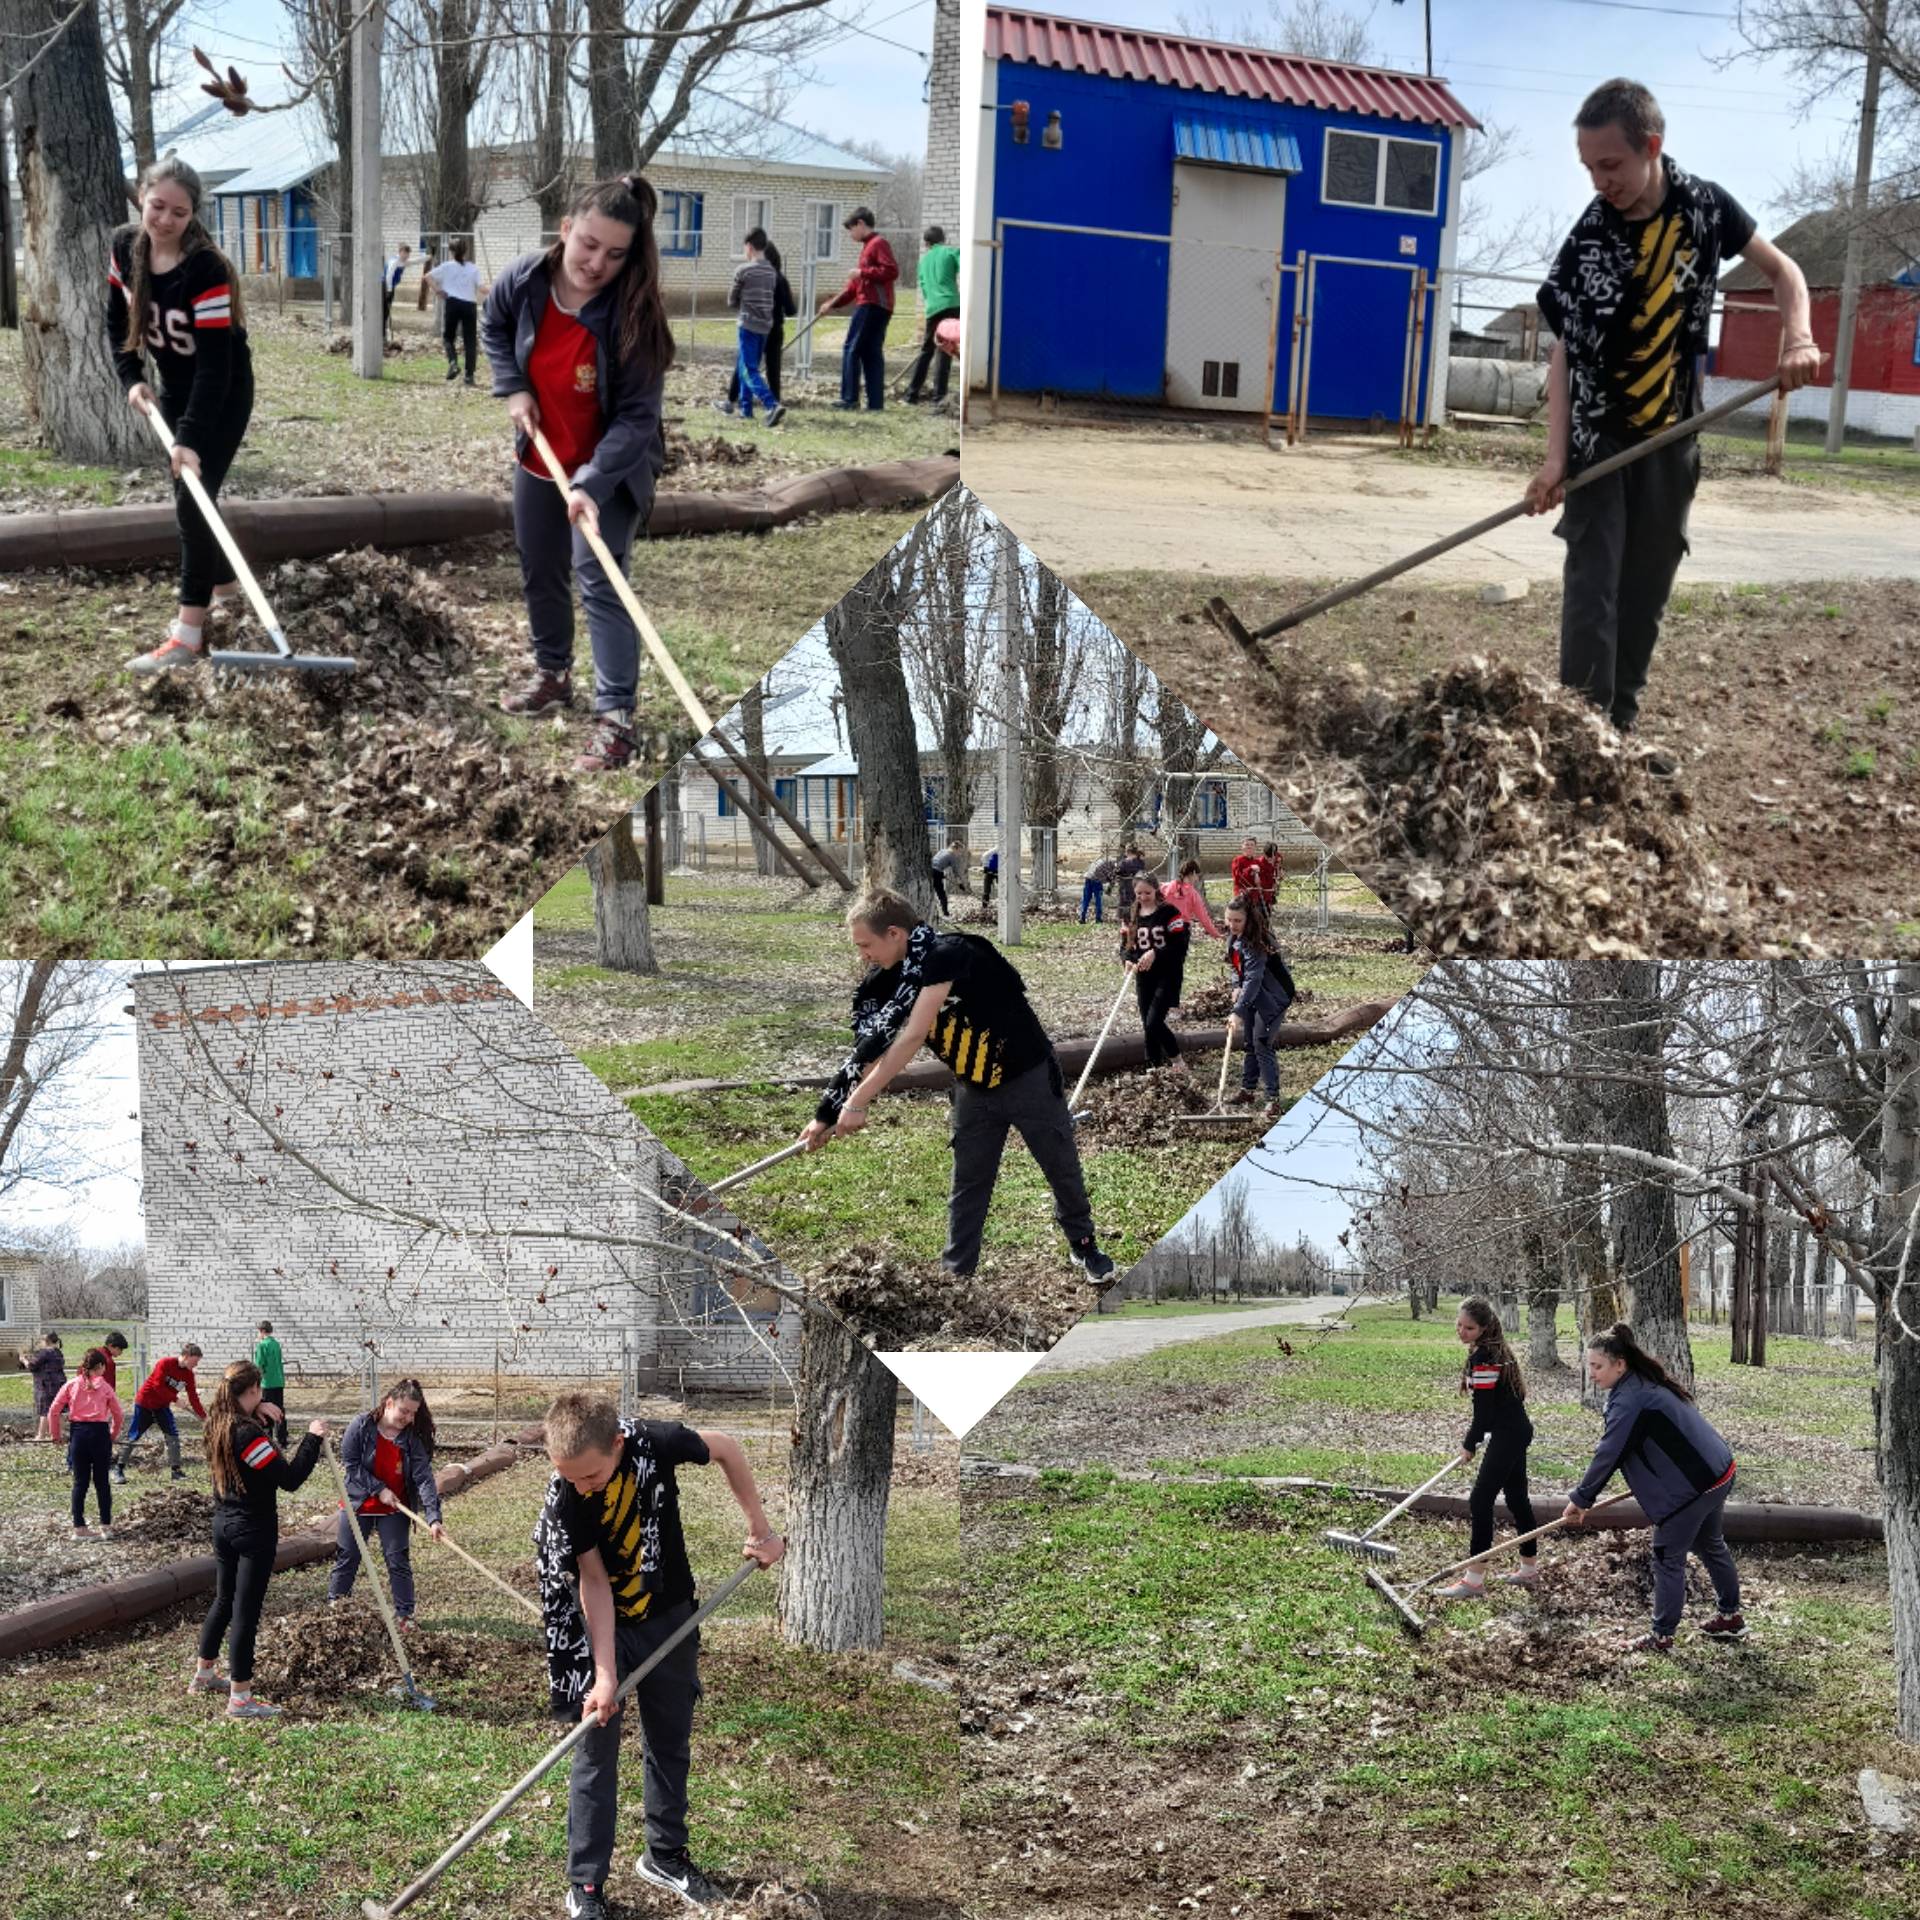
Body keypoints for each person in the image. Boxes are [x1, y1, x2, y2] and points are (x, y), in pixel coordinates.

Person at [1528, 79, 1821, 757]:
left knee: (1646, 588)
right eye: (1589, 169)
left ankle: (1618, 736)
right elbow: (1563, 351)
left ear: (1651, 147)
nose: (1601, 182)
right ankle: (1582, 742)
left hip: (1673, 433)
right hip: (1598, 436)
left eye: (1611, 166)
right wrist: (1553, 461)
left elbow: (1785, 273)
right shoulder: (1590, 238)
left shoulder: (1706, 208)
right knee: (1593, 590)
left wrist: (1798, 338)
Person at [535, 1391, 786, 1917]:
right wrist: (604, 1676)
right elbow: (594, 1583)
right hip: (602, 1623)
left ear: (618, 1444)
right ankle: (586, 1885)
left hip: (670, 1613)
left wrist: (759, 1530)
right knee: (595, 1749)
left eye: (590, 1476)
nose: (581, 1487)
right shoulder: (569, 1495)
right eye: (569, 1477)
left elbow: (728, 1450)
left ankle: (665, 1856)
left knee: (669, 1739)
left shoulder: (659, 1441)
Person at [797, 890, 1116, 1283]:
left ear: (894, 933)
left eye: (865, 945)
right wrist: (826, 1114)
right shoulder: (886, 982)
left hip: (1028, 1077)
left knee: (1060, 1166)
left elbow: (912, 1036)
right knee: (969, 1182)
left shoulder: (951, 954)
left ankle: (1084, 1247)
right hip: (974, 1088)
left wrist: (859, 1102)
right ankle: (956, 1274)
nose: (862, 955)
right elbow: (869, 1050)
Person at [483, 174, 673, 774]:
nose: (597, 263)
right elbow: (492, 324)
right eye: (588, 244)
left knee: (600, 575)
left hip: (613, 468)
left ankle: (616, 718)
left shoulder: (633, 314)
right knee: (540, 564)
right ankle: (553, 674)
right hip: (543, 456)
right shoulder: (527, 279)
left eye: (615, 254)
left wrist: (592, 482)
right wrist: (512, 387)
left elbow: (639, 417)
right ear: (565, 229)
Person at [106, 155, 253, 674]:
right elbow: (115, 322)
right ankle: (227, 588)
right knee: (193, 498)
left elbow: (216, 367)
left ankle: (188, 636)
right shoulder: (125, 247)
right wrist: (132, 378)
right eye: (157, 206)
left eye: (180, 212)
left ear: (193, 215)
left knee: (194, 503)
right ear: (142, 199)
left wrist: (188, 438)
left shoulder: (205, 268)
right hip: (172, 389)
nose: (165, 219)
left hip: (223, 394)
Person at [1564, 1322, 1746, 1652]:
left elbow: (1610, 1452)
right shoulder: (1640, 1384)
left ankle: (1661, 1636)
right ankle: (1731, 1618)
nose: (1591, 1374)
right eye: (1588, 1365)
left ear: (1620, 1364)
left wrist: (1581, 1498)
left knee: (1666, 1555)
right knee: (1709, 1542)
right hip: (1719, 1470)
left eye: (1597, 1366)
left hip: (1695, 1485)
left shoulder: (1631, 1399)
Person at [194, 1360, 326, 1719]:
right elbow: (289, 1477)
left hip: (223, 1524)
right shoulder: (246, 1434)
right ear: (251, 1392)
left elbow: (251, 1453)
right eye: (260, 1392)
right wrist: (313, 1437)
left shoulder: (217, 1424)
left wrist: (261, 1415)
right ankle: (241, 1698)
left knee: (224, 1600)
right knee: (245, 1614)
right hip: (253, 1530)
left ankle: (204, 1674)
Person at [1432, 1298, 1539, 1602]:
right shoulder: (1491, 1352)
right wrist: (1478, 1439)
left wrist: (1470, 1444)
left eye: (1469, 1328)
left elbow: (1483, 1414)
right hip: (1513, 1432)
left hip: (1509, 1434)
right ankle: (1529, 1568)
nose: (1462, 1332)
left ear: (1484, 1328)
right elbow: (1491, 1411)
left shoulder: (1485, 1358)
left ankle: (1474, 1580)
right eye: (1459, 1325)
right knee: (1517, 1498)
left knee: (1480, 1500)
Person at [330, 1381, 445, 1626]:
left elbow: (423, 1477)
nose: (409, 1418)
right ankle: (335, 1610)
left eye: (413, 1413)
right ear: (389, 1403)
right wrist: (379, 1489)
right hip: (358, 1503)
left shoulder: (411, 1438)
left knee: (397, 1560)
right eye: (404, 1411)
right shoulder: (360, 1426)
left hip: (394, 1508)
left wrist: (433, 1517)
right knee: (348, 1556)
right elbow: (351, 1466)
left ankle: (405, 1615)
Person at [819, 207, 898, 412]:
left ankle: (849, 399)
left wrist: (862, 272)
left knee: (851, 349)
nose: (850, 234)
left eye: (851, 229)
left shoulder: (878, 243)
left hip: (873, 305)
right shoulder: (867, 248)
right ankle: (875, 404)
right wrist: (832, 304)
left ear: (861, 224)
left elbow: (891, 271)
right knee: (870, 353)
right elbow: (854, 289)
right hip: (876, 305)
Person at [1222, 893, 1293, 1115]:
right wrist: (1236, 986)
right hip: (1254, 994)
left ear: (1248, 920)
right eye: (1229, 919)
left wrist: (1237, 1011)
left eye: (1238, 920)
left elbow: (1253, 978)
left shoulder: (1258, 943)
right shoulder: (1234, 939)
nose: (1232, 925)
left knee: (1261, 1042)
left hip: (1274, 997)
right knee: (1249, 1043)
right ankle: (1248, 1090)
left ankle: (1273, 1100)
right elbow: (1237, 968)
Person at [48, 1348, 124, 1538]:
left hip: (79, 1434)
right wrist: (112, 1434)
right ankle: (106, 1526)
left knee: (80, 1482)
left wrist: (55, 1435)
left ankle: (79, 1528)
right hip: (99, 1434)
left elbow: (54, 1411)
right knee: (102, 1482)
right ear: (99, 1367)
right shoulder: (105, 1387)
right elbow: (118, 1414)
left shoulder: (72, 1385)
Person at [722, 230, 798, 414]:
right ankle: (746, 410)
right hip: (769, 326)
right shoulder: (775, 275)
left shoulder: (744, 271)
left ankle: (771, 405)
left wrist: (744, 302)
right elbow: (790, 309)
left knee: (747, 369)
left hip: (748, 324)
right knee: (764, 367)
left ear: (749, 247)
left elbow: (731, 301)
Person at [1121, 875, 1190, 1074]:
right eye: (1139, 893)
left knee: (1154, 1021)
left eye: (1147, 893)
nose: (1143, 897)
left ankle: (1177, 1061)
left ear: (1156, 890)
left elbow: (1179, 946)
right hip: (1144, 976)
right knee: (1147, 1025)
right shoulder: (1130, 914)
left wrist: (1156, 953)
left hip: (1167, 975)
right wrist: (1127, 959)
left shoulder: (1169, 912)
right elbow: (1126, 946)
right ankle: (1153, 1068)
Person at [113, 1342, 205, 1483]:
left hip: (162, 1407)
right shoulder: (165, 1363)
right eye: (195, 1361)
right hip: (145, 1404)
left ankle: (176, 1471)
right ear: (186, 1356)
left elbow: (193, 1397)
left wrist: (204, 1417)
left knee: (172, 1435)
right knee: (134, 1435)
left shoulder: (188, 1375)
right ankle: (118, 1470)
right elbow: (157, 1386)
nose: (196, 1365)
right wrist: (175, 1399)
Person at [906, 224, 960, 406]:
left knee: (926, 351)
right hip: (951, 305)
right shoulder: (950, 252)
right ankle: (939, 397)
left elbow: (924, 288)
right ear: (943, 239)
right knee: (945, 352)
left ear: (926, 243)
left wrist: (931, 304)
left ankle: (911, 394)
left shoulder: (923, 262)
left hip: (933, 309)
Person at [429, 238, 486, 385]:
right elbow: (482, 289)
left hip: (453, 304)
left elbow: (427, 277)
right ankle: (469, 376)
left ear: (452, 251)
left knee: (448, 337)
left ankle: (453, 362)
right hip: (469, 306)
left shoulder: (447, 266)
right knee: (470, 341)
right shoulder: (473, 268)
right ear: (465, 251)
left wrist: (438, 291)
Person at [1163, 859, 1223, 940]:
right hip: (1180, 931)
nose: (1197, 879)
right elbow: (1204, 918)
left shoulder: (1164, 888)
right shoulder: (1193, 894)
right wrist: (1216, 934)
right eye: (1197, 875)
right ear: (1193, 873)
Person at [21, 1331, 65, 1441]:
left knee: (45, 1411)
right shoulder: (58, 1352)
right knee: (57, 1410)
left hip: (46, 1385)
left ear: (46, 1341)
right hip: (59, 1384)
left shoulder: (45, 1353)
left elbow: (32, 1366)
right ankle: (57, 1434)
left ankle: (41, 1435)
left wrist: (24, 1360)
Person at [252, 1320, 287, 1449]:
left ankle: (268, 1438)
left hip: (267, 1383)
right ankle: (282, 1438)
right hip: (278, 1381)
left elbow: (259, 1366)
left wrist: (255, 1382)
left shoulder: (262, 1345)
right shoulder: (276, 1344)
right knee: (279, 1409)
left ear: (261, 1331)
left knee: (266, 1410)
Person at [1230, 836, 1276, 915]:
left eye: (1252, 845)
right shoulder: (1238, 860)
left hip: (1256, 897)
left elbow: (1265, 879)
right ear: (1242, 847)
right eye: (1247, 845)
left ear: (1255, 848)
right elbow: (1238, 878)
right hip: (1242, 895)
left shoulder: (1257, 862)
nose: (1249, 847)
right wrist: (1250, 869)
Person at [382, 241, 413, 340]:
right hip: (385, 287)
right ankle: (381, 335)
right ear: (400, 252)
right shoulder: (395, 261)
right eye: (404, 253)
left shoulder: (402, 262)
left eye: (408, 254)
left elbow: (416, 261)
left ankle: (383, 334)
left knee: (386, 312)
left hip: (390, 287)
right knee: (384, 311)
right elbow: (389, 275)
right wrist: (389, 291)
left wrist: (429, 257)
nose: (406, 256)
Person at [930, 840, 966, 915]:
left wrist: (941, 874)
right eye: (959, 851)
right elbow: (955, 872)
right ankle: (946, 913)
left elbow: (935, 861)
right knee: (942, 895)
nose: (959, 854)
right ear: (955, 849)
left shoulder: (942, 850)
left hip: (929, 870)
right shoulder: (952, 856)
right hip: (936, 873)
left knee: (933, 891)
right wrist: (960, 884)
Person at [1079, 854, 1118, 925]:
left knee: (1085, 899)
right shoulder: (1115, 866)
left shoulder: (1104, 859)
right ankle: (1098, 918)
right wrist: (1110, 889)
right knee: (1098, 900)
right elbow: (1112, 878)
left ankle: (1082, 917)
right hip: (1096, 880)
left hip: (1088, 877)